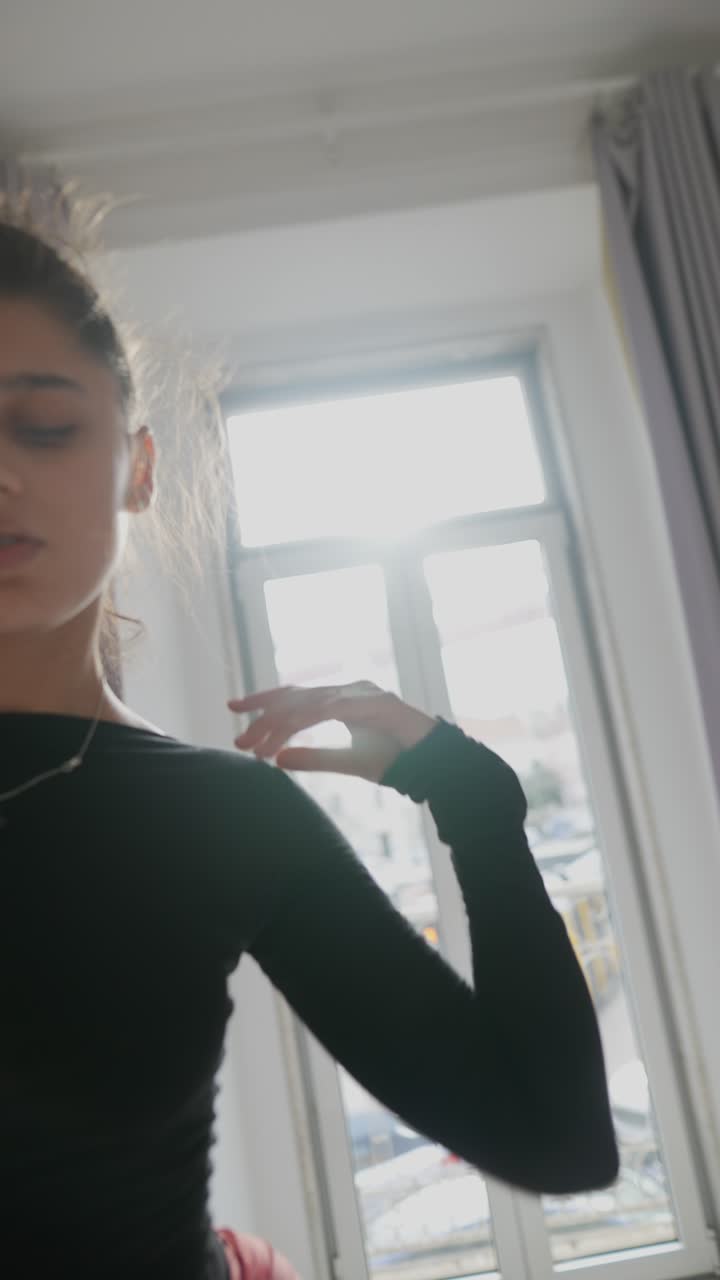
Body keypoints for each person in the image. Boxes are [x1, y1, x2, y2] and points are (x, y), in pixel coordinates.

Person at [0, 217, 619, 1280]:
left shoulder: (221, 819)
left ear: (139, 467)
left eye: (44, 426)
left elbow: (552, 1136)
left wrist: (473, 798)